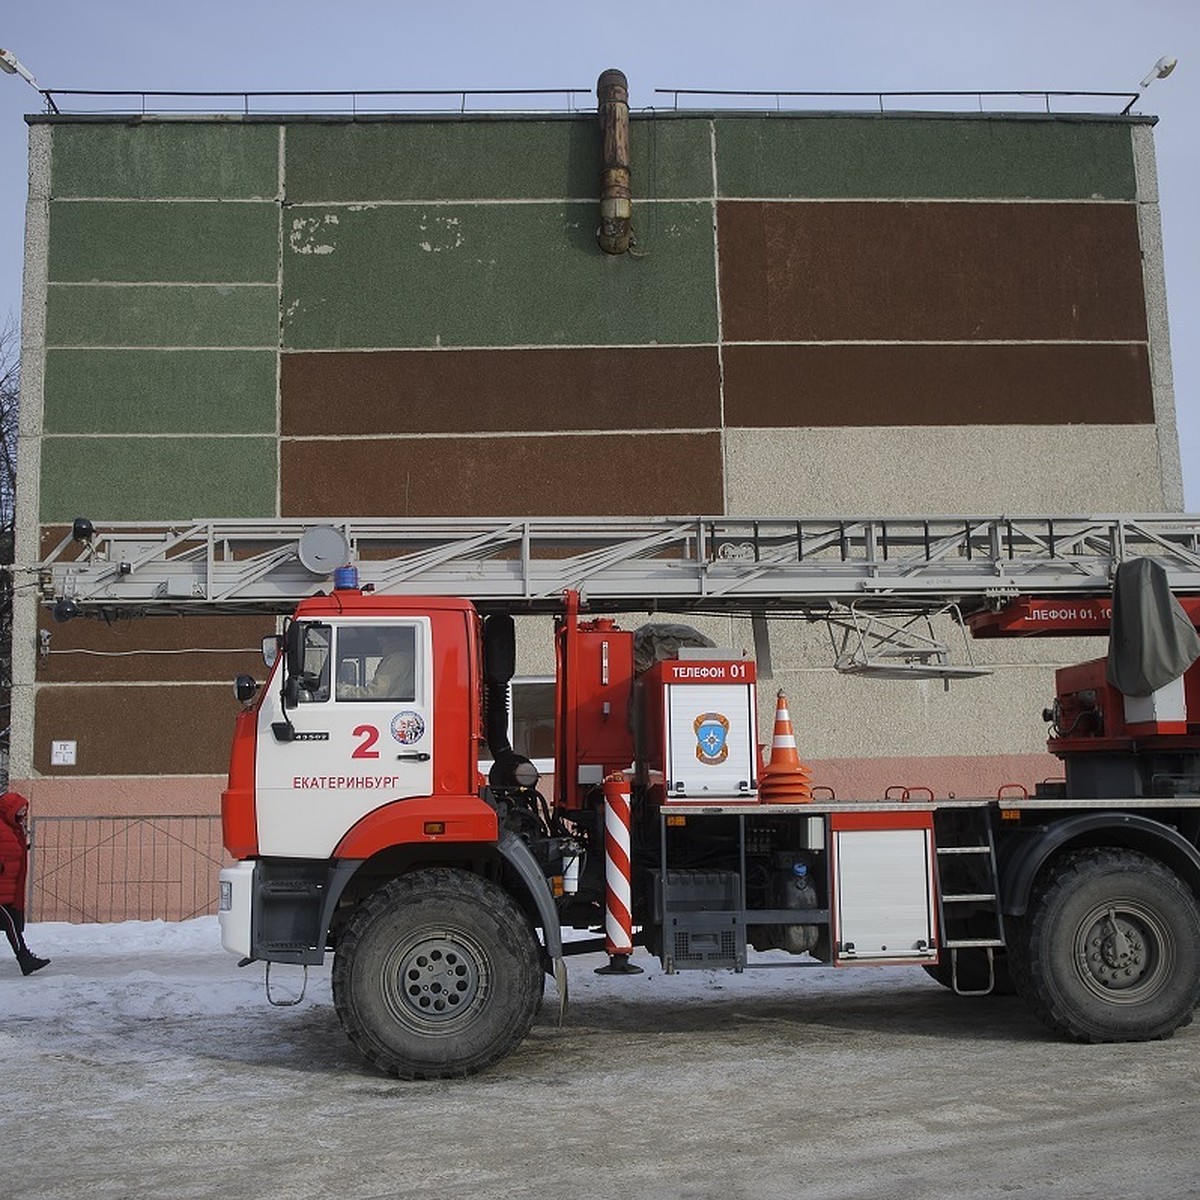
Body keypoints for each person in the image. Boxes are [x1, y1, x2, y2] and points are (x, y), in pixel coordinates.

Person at [1, 791, 50, 976]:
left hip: (7, 887)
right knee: (9, 924)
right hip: (2, 886)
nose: (23, 812)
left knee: (11, 924)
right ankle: (24, 959)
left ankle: (25, 959)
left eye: (24, 808)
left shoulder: (15, 827)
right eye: (19, 808)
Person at [339, 627, 416, 700]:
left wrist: (343, 691)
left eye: (382, 633)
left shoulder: (397, 660)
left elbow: (375, 694)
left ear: (396, 635)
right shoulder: (405, 656)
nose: (378, 638)